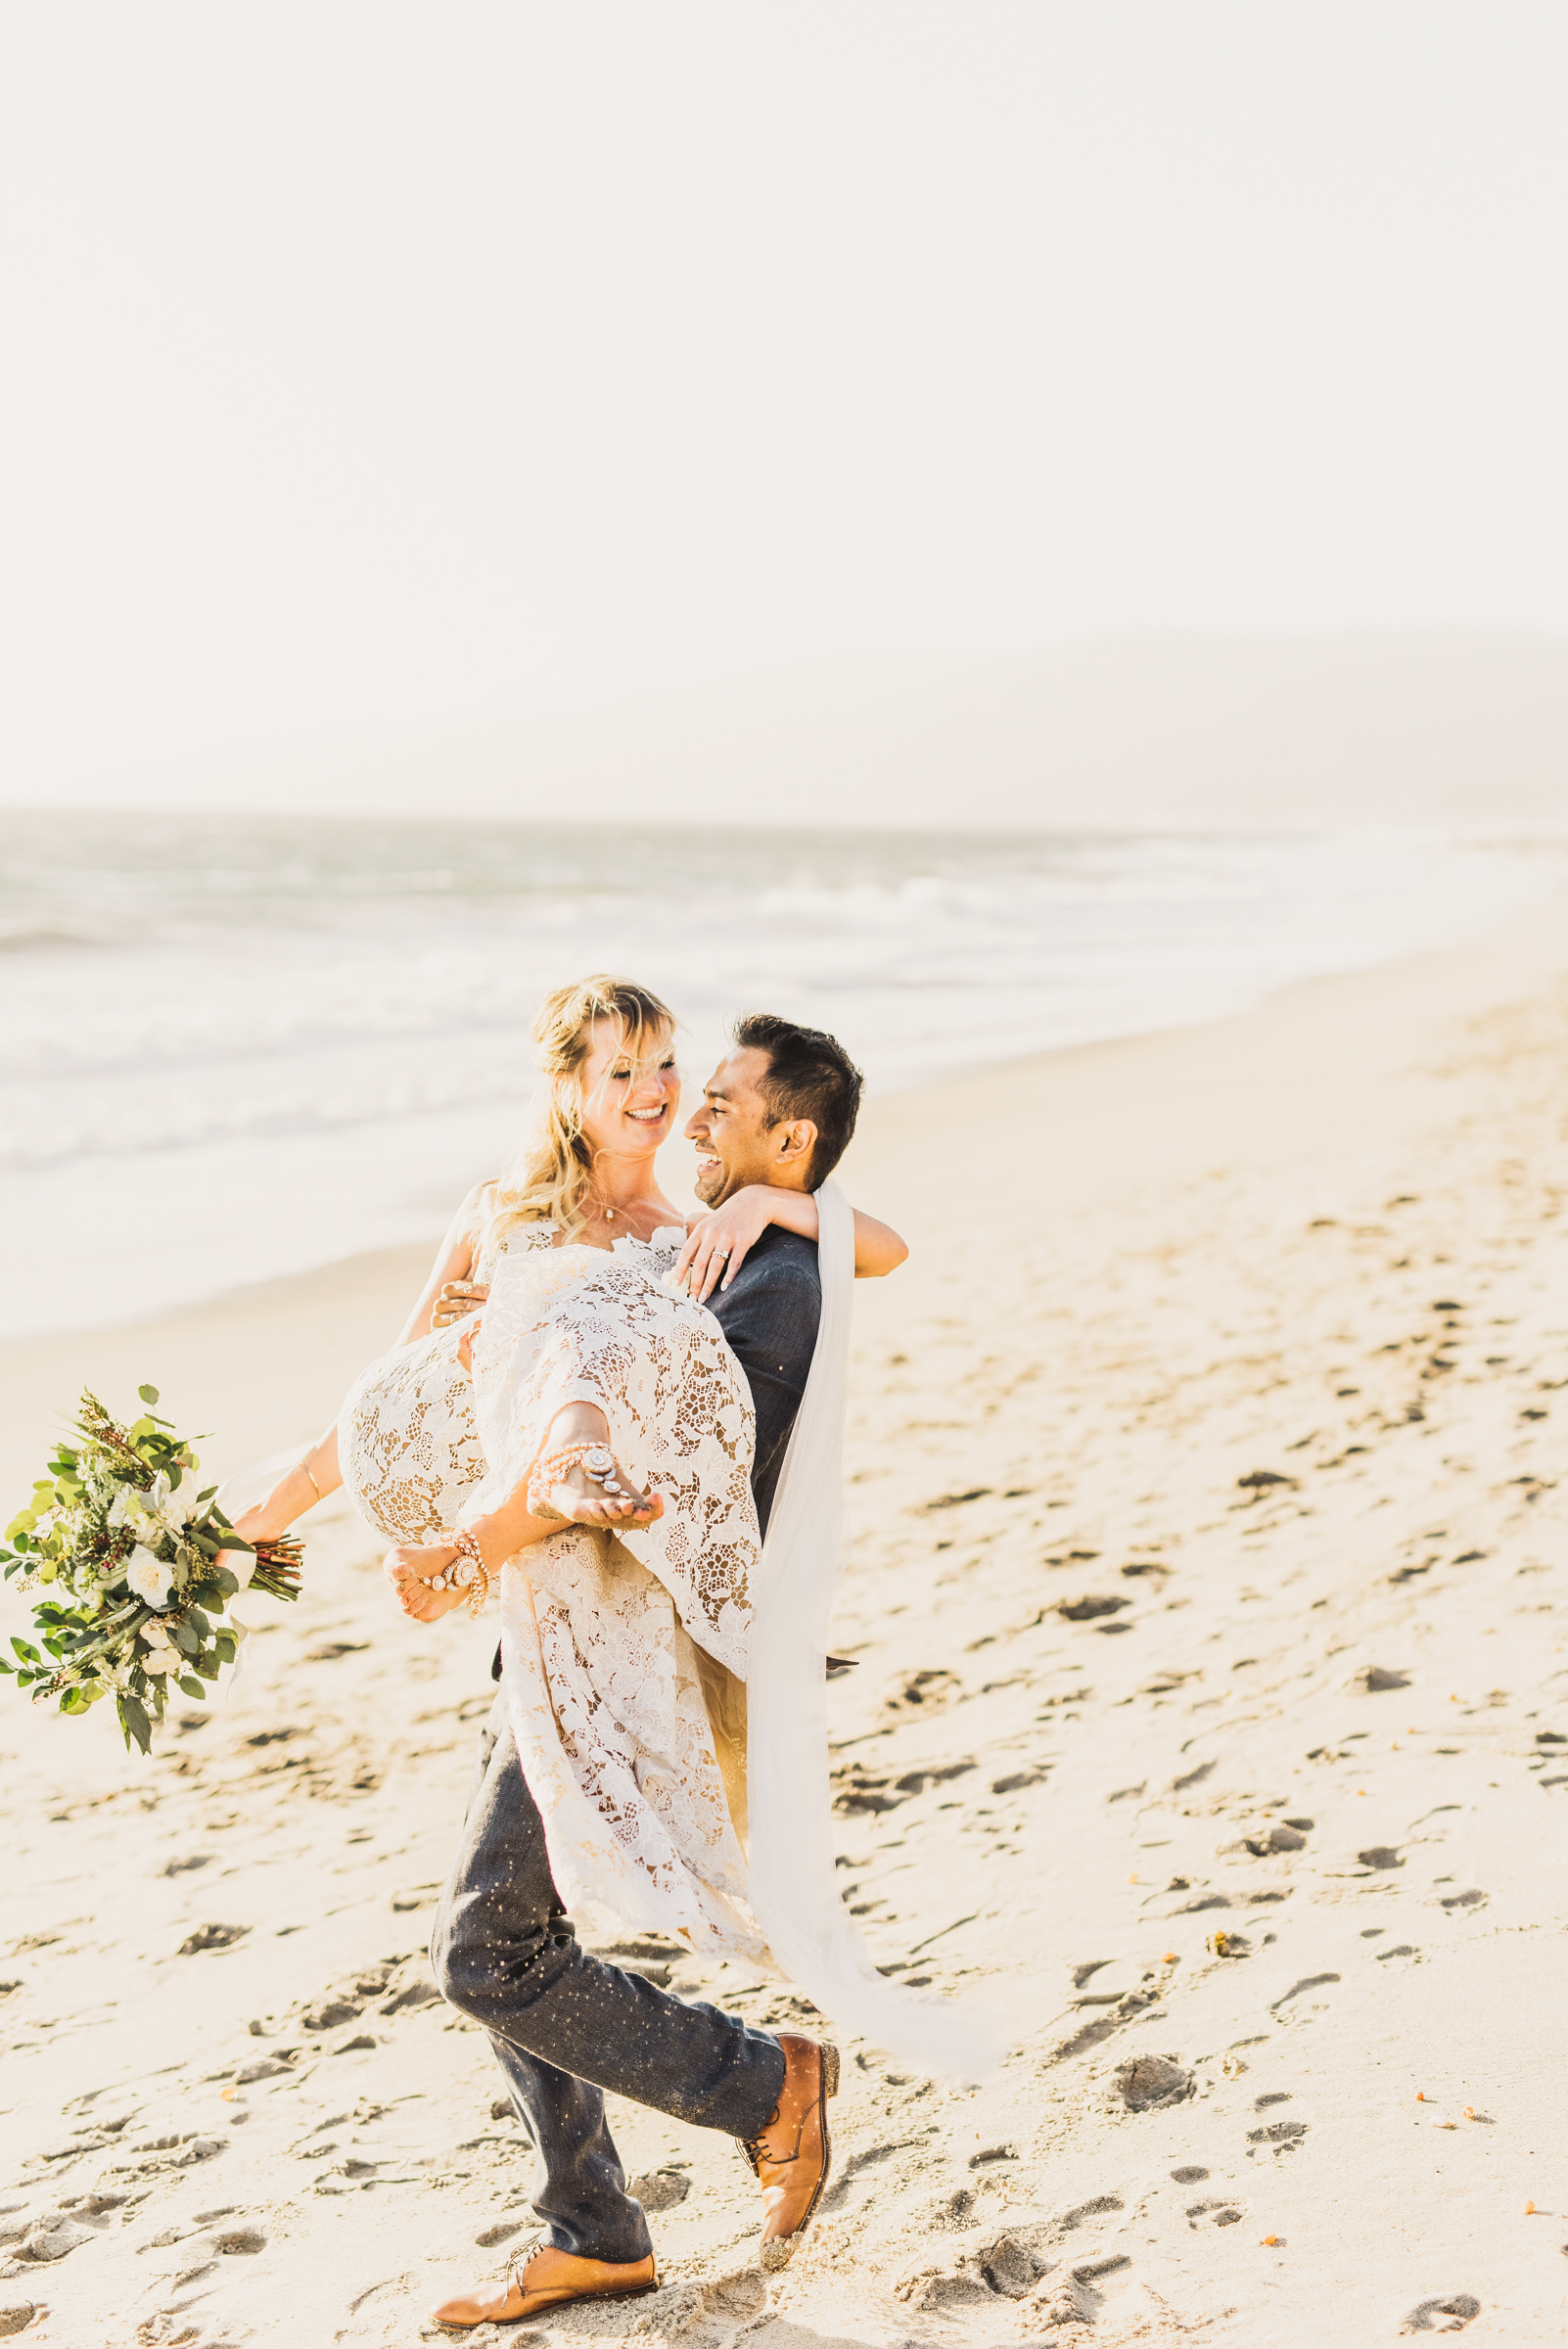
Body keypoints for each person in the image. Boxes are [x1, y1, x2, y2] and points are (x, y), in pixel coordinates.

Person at [224, 978, 911, 2322]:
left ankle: (762, 2087)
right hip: (520, 1599)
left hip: (616, 1615)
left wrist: (789, 1203)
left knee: (488, 1951)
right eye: (621, 1075)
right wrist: (274, 1512)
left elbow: (872, 1246)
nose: (653, 1096)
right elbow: (396, 1391)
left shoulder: (698, 1229)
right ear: (565, 1087)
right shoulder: (500, 1218)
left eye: (665, 1068)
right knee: (509, 1937)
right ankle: (593, 2225)